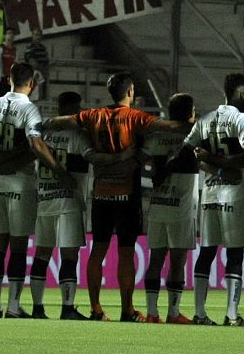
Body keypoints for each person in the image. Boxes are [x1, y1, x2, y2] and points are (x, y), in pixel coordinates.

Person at [41, 72, 181, 321]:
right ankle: (127, 310)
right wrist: (190, 125)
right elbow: (165, 127)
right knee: (126, 252)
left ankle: (96, 309)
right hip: (127, 195)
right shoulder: (135, 117)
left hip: (102, 192)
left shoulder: (92, 115)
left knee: (98, 251)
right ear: (129, 92)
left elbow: (62, 122)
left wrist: (45, 123)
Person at [0, 62, 63, 318]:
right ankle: (13, 305)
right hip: (20, 183)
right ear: (31, 84)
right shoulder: (29, 109)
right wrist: (58, 170)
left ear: (8, 79)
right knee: (19, 245)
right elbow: (35, 144)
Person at [183, 73, 244, 327]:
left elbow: (187, 152)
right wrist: (224, 165)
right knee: (235, 253)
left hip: (208, 194)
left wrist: (211, 165)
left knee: (206, 252)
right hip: (232, 192)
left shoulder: (205, 120)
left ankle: (199, 313)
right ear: (240, 94)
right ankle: (231, 315)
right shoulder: (241, 119)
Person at [29, 90, 91, 320]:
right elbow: (91, 158)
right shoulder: (79, 136)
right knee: (69, 256)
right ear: (74, 109)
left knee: (42, 254)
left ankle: (37, 308)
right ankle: (67, 308)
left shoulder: (43, 134)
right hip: (69, 202)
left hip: (44, 199)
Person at [140, 93, 200, 324]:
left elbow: (142, 160)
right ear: (190, 112)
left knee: (155, 259)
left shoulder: (158, 136)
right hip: (181, 207)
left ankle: (152, 313)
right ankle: (173, 313)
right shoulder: (193, 135)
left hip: (158, 204)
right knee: (178, 261)